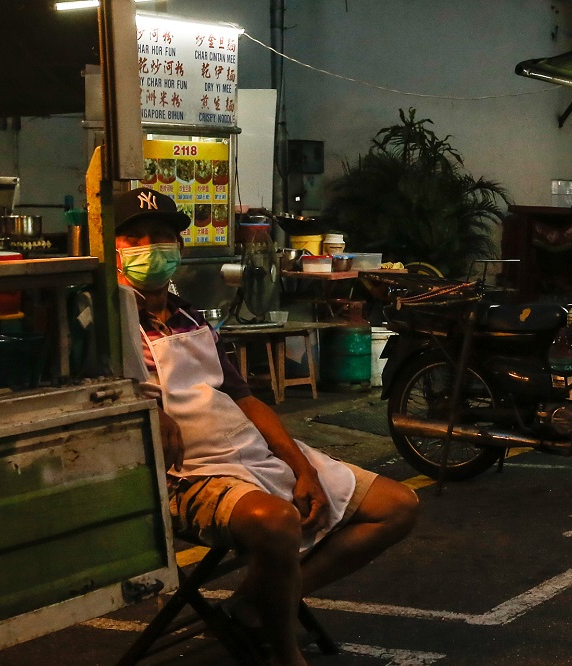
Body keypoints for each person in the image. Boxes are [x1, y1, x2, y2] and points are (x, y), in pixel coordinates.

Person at [113, 187, 419, 666]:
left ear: (179, 246)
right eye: (134, 239)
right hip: (184, 477)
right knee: (277, 523)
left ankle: (257, 603)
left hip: (249, 452)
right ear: (113, 249)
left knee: (398, 506)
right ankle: (283, 652)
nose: (149, 248)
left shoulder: (188, 314)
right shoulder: (105, 318)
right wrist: (148, 411)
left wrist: (302, 467)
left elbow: (245, 398)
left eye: (160, 236)